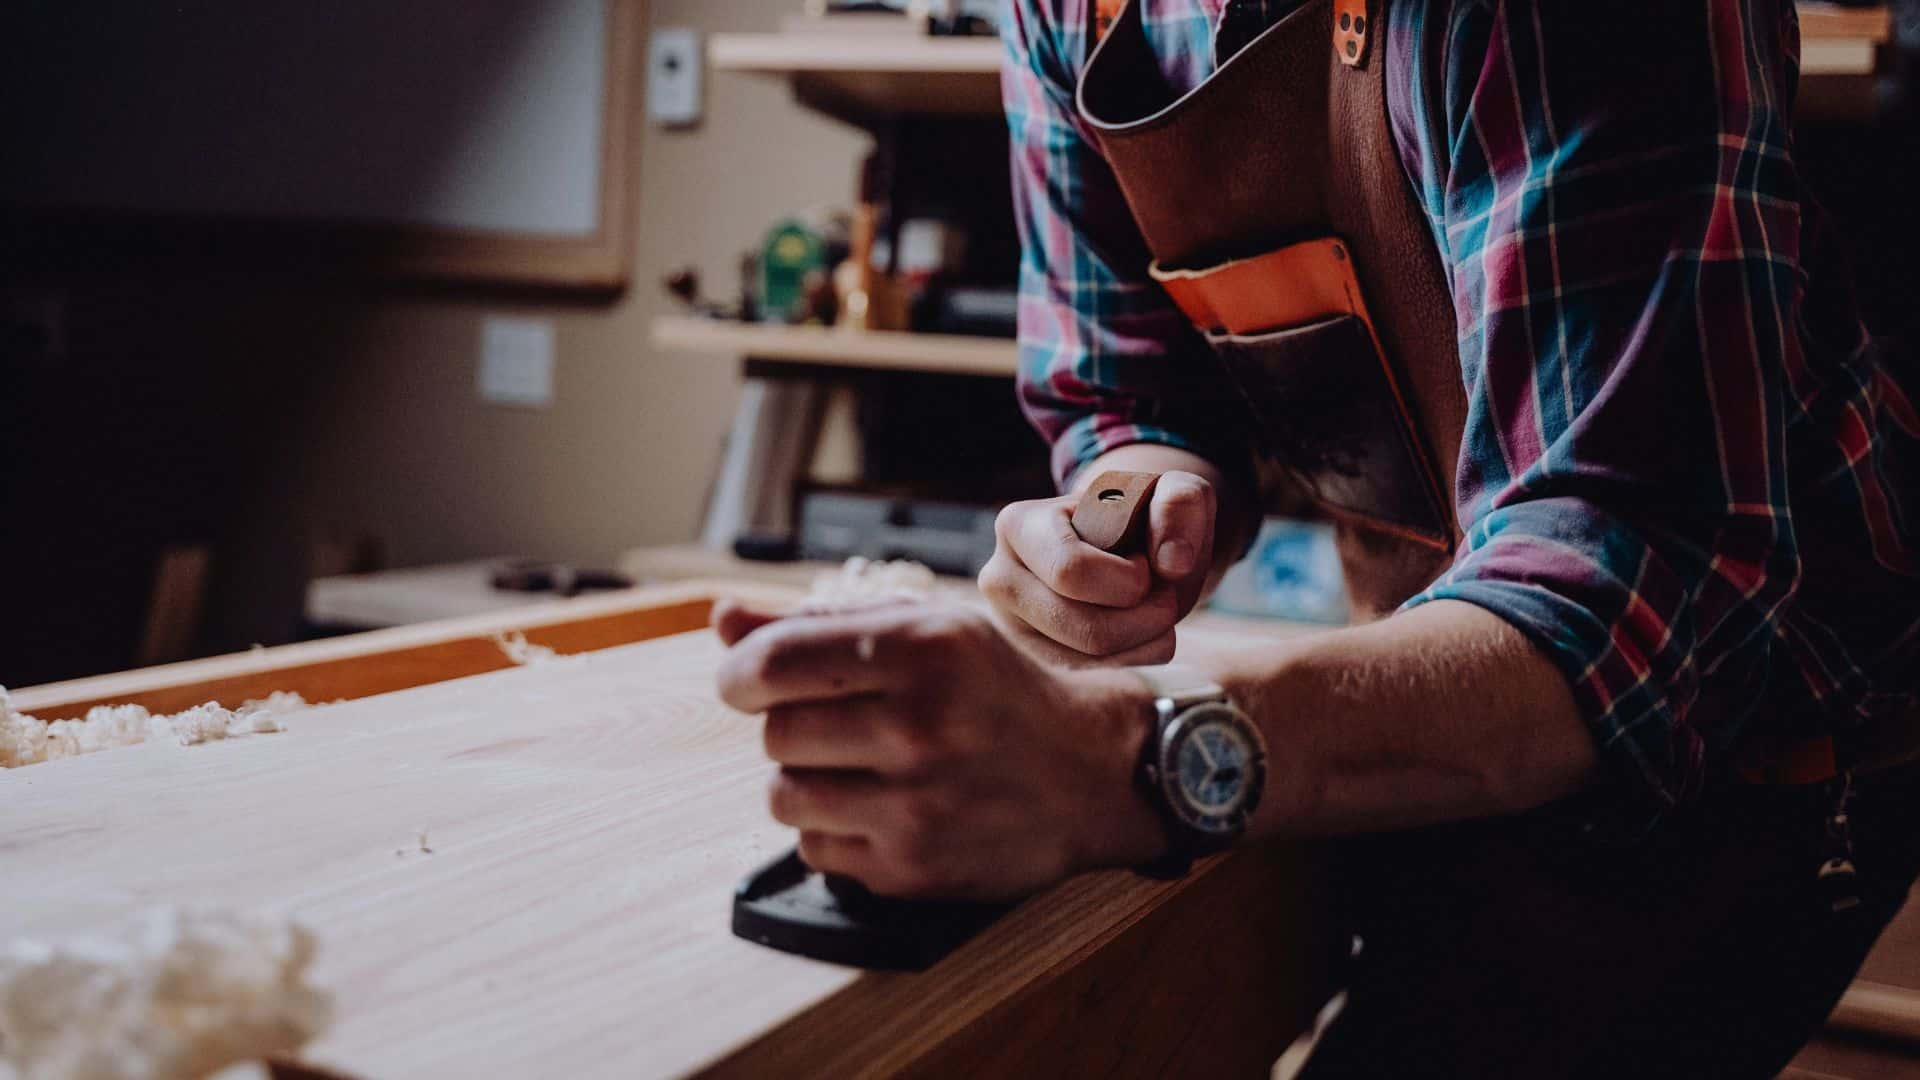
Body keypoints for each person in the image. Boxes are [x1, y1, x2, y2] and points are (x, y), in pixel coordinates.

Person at [715, 0, 1920, 1073]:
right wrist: (1130, 498)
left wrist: (1122, 756)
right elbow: (1126, 395)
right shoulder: (1069, 15)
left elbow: (1625, 589)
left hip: (1758, 742)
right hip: (1436, 680)